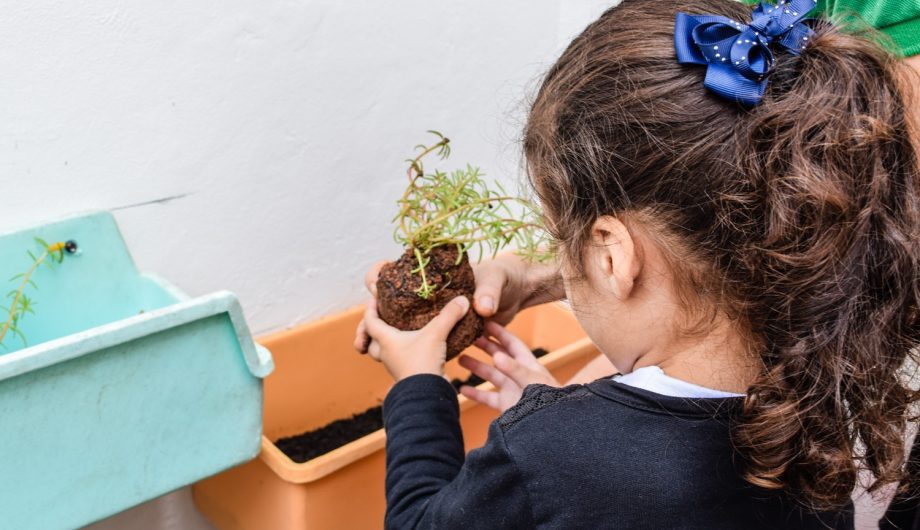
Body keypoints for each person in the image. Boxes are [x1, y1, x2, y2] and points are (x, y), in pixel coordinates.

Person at [355, 0, 920, 527]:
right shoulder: (813, 403)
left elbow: (417, 521)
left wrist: (418, 385)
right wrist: (565, 425)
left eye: (560, 238)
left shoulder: (543, 455)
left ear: (612, 254)